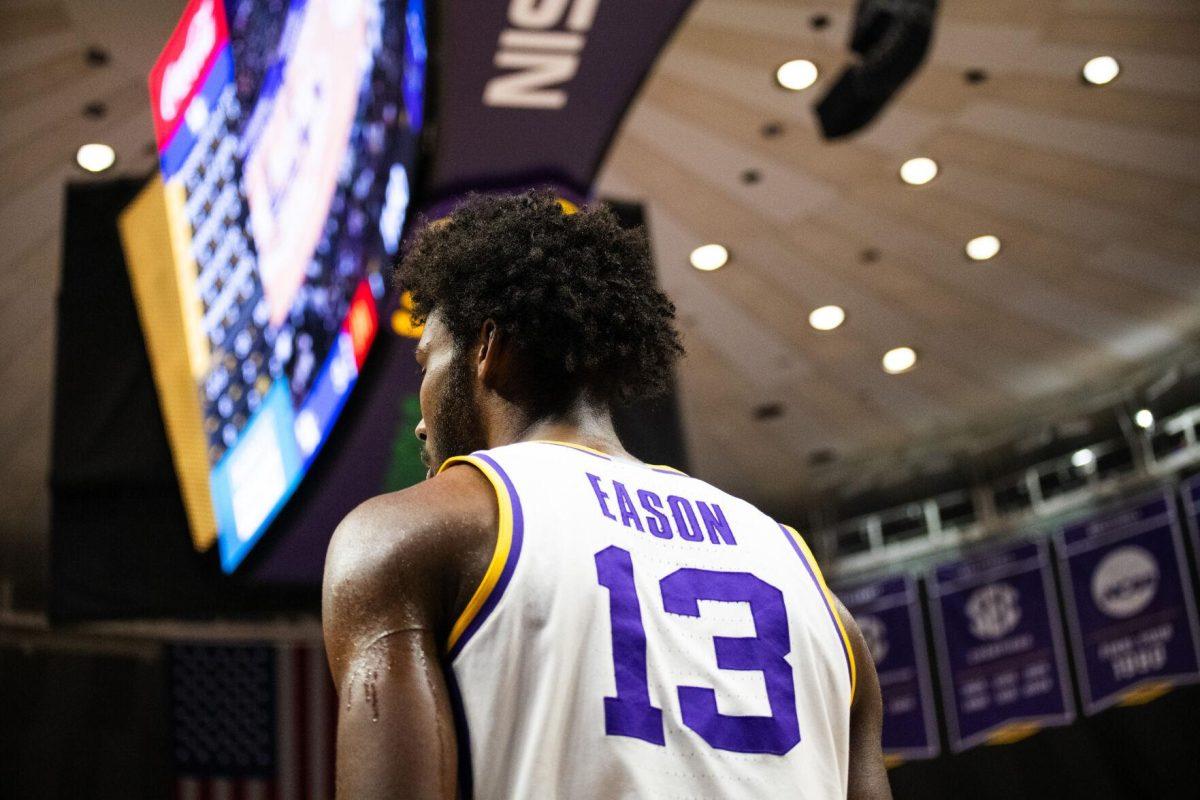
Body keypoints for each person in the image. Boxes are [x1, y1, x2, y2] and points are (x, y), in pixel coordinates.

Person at [322, 191, 890, 799]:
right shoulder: (816, 596)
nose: (421, 421)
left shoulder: (406, 535)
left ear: (487, 349)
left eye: (427, 362)